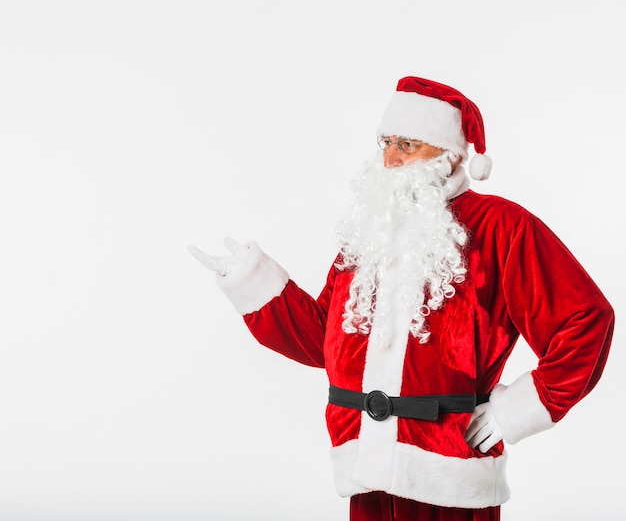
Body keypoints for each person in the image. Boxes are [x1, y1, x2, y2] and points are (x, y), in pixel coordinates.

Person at [189, 76, 614, 521]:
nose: (390, 159)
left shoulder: (503, 227)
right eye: (386, 142)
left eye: (408, 145)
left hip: (451, 470)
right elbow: (326, 340)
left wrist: (520, 410)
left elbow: (585, 320)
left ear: (448, 154)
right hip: (367, 467)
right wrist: (251, 283)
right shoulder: (369, 235)